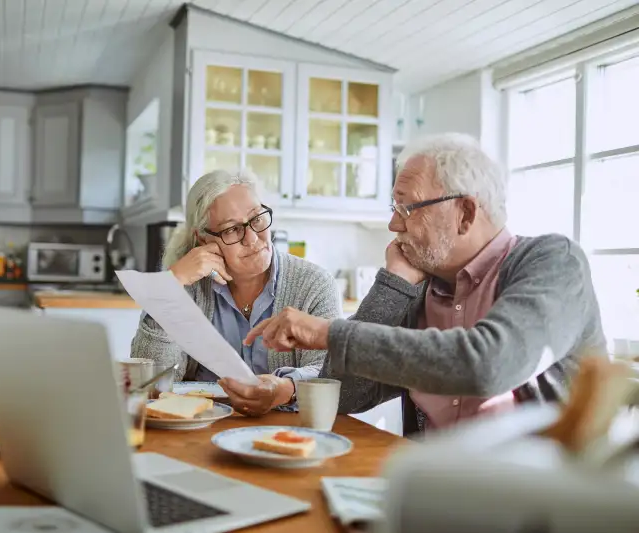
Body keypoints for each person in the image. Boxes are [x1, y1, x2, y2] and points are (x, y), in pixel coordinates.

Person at [242, 133, 607, 435]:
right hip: (433, 490)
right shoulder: (417, 287)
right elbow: (347, 394)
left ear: (464, 213)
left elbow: (489, 364)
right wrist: (393, 285)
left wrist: (329, 333)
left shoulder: (554, 261)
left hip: (544, 502)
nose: (393, 226)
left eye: (407, 209)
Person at [130, 169, 341, 416]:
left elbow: (328, 374)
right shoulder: (189, 285)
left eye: (257, 219)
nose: (252, 238)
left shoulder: (314, 284)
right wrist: (169, 286)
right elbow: (152, 384)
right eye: (231, 229)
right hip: (200, 429)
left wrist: (285, 388)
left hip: (288, 430)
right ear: (202, 239)